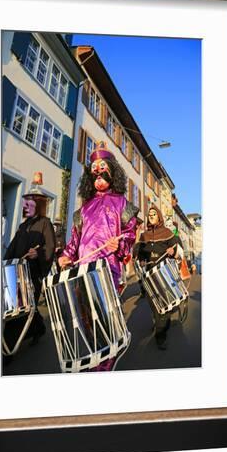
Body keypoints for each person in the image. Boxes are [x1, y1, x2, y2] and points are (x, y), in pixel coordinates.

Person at [58, 141, 139, 371]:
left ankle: (106, 361)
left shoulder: (122, 203)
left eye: (103, 173)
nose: (99, 178)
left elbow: (130, 234)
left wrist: (120, 242)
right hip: (82, 270)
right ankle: (95, 356)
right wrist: (65, 256)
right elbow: (74, 242)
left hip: (107, 268)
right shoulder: (82, 209)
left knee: (104, 315)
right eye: (95, 174)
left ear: (112, 174)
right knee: (86, 318)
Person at [4, 187, 56, 350]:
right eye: (25, 203)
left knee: (20, 309)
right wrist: (3, 263)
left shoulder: (45, 223)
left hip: (32, 274)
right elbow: (12, 248)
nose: (26, 206)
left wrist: (39, 253)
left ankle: (9, 348)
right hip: (17, 272)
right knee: (24, 307)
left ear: (38, 204)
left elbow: (50, 247)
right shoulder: (22, 225)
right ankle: (38, 328)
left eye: (30, 203)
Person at [132, 204, 181, 350]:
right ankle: (160, 323)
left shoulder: (167, 232)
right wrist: (140, 258)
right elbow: (139, 252)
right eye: (149, 214)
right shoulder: (144, 235)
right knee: (154, 304)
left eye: (154, 213)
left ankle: (161, 334)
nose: (151, 215)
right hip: (149, 274)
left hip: (164, 272)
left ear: (159, 216)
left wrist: (173, 251)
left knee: (164, 304)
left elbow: (177, 249)